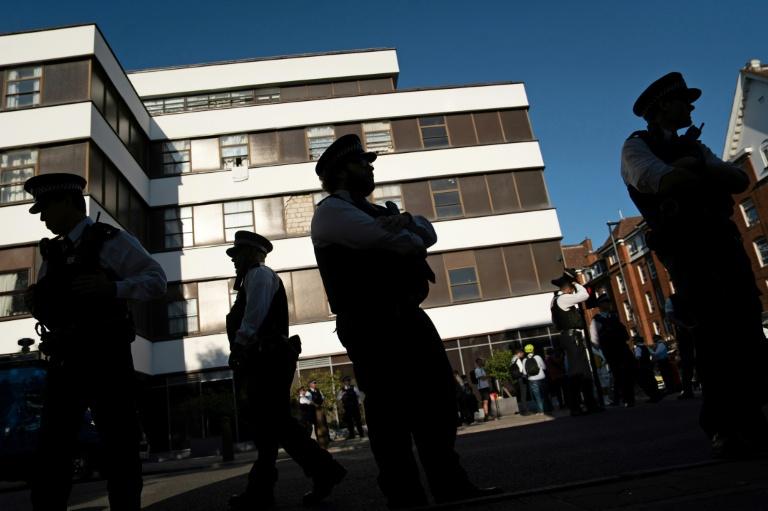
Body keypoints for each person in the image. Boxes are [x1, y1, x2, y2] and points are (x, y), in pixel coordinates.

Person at [311, 134, 499, 508]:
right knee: (390, 412)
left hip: (405, 315)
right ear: (341, 171)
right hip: (371, 322)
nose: (370, 167)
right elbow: (402, 242)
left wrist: (406, 224)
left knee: (439, 401)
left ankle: (449, 483)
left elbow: (427, 231)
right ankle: (404, 494)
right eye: (362, 162)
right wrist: (402, 229)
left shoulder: (374, 210)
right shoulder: (332, 212)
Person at [623, 71, 768, 457]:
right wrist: (695, 167)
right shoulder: (636, 147)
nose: (690, 107)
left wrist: (693, 165)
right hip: (687, 248)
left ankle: (754, 419)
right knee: (713, 333)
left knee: (748, 326)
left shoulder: (695, 148)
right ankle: (723, 426)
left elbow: (737, 179)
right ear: (660, 108)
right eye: (682, 101)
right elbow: (662, 182)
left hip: (723, 240)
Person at [23, 173, 167, 510]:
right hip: (65, 359)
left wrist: (113, 288)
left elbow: (156, 279)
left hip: (106, 357)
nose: (42, 217)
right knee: (53, 447)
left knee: (119, 444)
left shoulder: (109, 240)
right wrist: (38, 303)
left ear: (67, 202)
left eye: (46, 208)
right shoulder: (54, 252)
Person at [225, 231, 345, 509]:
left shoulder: (259, 275)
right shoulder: (251, 279)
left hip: (267, 360)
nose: (234, 261)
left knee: (275, 423)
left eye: (238, 254)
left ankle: (323, 471)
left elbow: (254, 315)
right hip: (262, 360)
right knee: (269, 427)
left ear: (255, 254)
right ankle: (262, 490)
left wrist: (240, 345)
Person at [550, 271, 600, 416]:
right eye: (572, 288)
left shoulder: (556, 300)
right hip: (572, 338)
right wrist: (576, 283)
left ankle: (590, 404)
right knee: (577, 372)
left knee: (584, 372)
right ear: (569, 288)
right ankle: (575, 406)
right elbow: (584, 295)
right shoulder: (564, 298)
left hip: (571, 337)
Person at [590, 294, 639, 407]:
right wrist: (602, 354)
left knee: (630, 370)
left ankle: (623, 398)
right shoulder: (596, 320)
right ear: (600, 305)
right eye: (606, 302)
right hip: (611, 351)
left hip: (622, 348)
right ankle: (625, 399)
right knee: (619, 374)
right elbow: (594, 340)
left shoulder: (614, 316)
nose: (608, 304)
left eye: (609, 302)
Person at [522, 344, 548, 414]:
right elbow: (544, 367)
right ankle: (548, 408)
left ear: (525, 351)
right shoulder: (538, 357)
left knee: (537, 396)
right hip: (542, 378)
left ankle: (540, 411)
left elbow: (524, 372)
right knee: (544, 394)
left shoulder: (524, 360)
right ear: (533, 350)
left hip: (532, 379)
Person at [510, 349, 530, 415]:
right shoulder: (517, 360)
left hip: (517, 378)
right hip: (521, 378)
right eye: (522, 354)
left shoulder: (513, 359)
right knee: (523, 394)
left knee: (521, 394)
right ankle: (525, 410)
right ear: (519, 353)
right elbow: (521, 369)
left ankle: (524, 409)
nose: (523, 355)